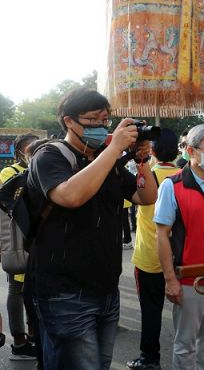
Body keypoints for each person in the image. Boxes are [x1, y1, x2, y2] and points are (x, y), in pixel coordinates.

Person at [26, 87, 158, 369]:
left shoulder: (105, 160)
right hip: (65, 294)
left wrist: (142, 161)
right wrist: (113, 149)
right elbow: (70, 196)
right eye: (94, 120)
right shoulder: (49, 156)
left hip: (106, 290)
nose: (101, 127)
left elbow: (146, 198)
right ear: (69, 121)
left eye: (105, 120)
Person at [156, 124, 204, 370]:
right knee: (186, 344)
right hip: (189, 280)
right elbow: (162, 235)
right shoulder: (173, 186)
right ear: (191, 151)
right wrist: (170, 280)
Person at [127, 128, 181, 370]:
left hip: (150, 255)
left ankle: (149, 358)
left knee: (151, 312)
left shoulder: (144, 175)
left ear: (153, 151)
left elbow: (123, 201)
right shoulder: (185, 176)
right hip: (180, 257)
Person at [0, 134, 38, 361]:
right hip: (17, 243)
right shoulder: (9, 173)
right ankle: (19, 341)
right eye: (29, 149)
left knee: (35, 290)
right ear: (19, 152)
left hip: (39, 242)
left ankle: (34, 336)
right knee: (17, 288)